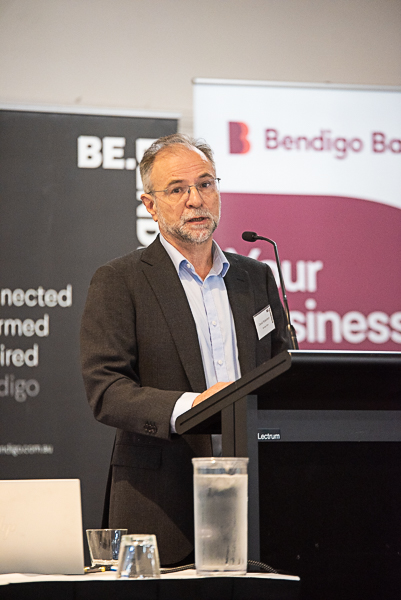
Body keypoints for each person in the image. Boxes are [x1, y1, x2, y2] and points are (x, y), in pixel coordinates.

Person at [80, 133, 291, 566]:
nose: (196, 200)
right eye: (177, 189)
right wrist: (194, 406)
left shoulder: (256, 278)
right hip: (161, 500)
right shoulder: (120, 280)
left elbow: (280, 372)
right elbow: (107, 390)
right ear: (150, 205)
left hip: (256, 490)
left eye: (205, 184)